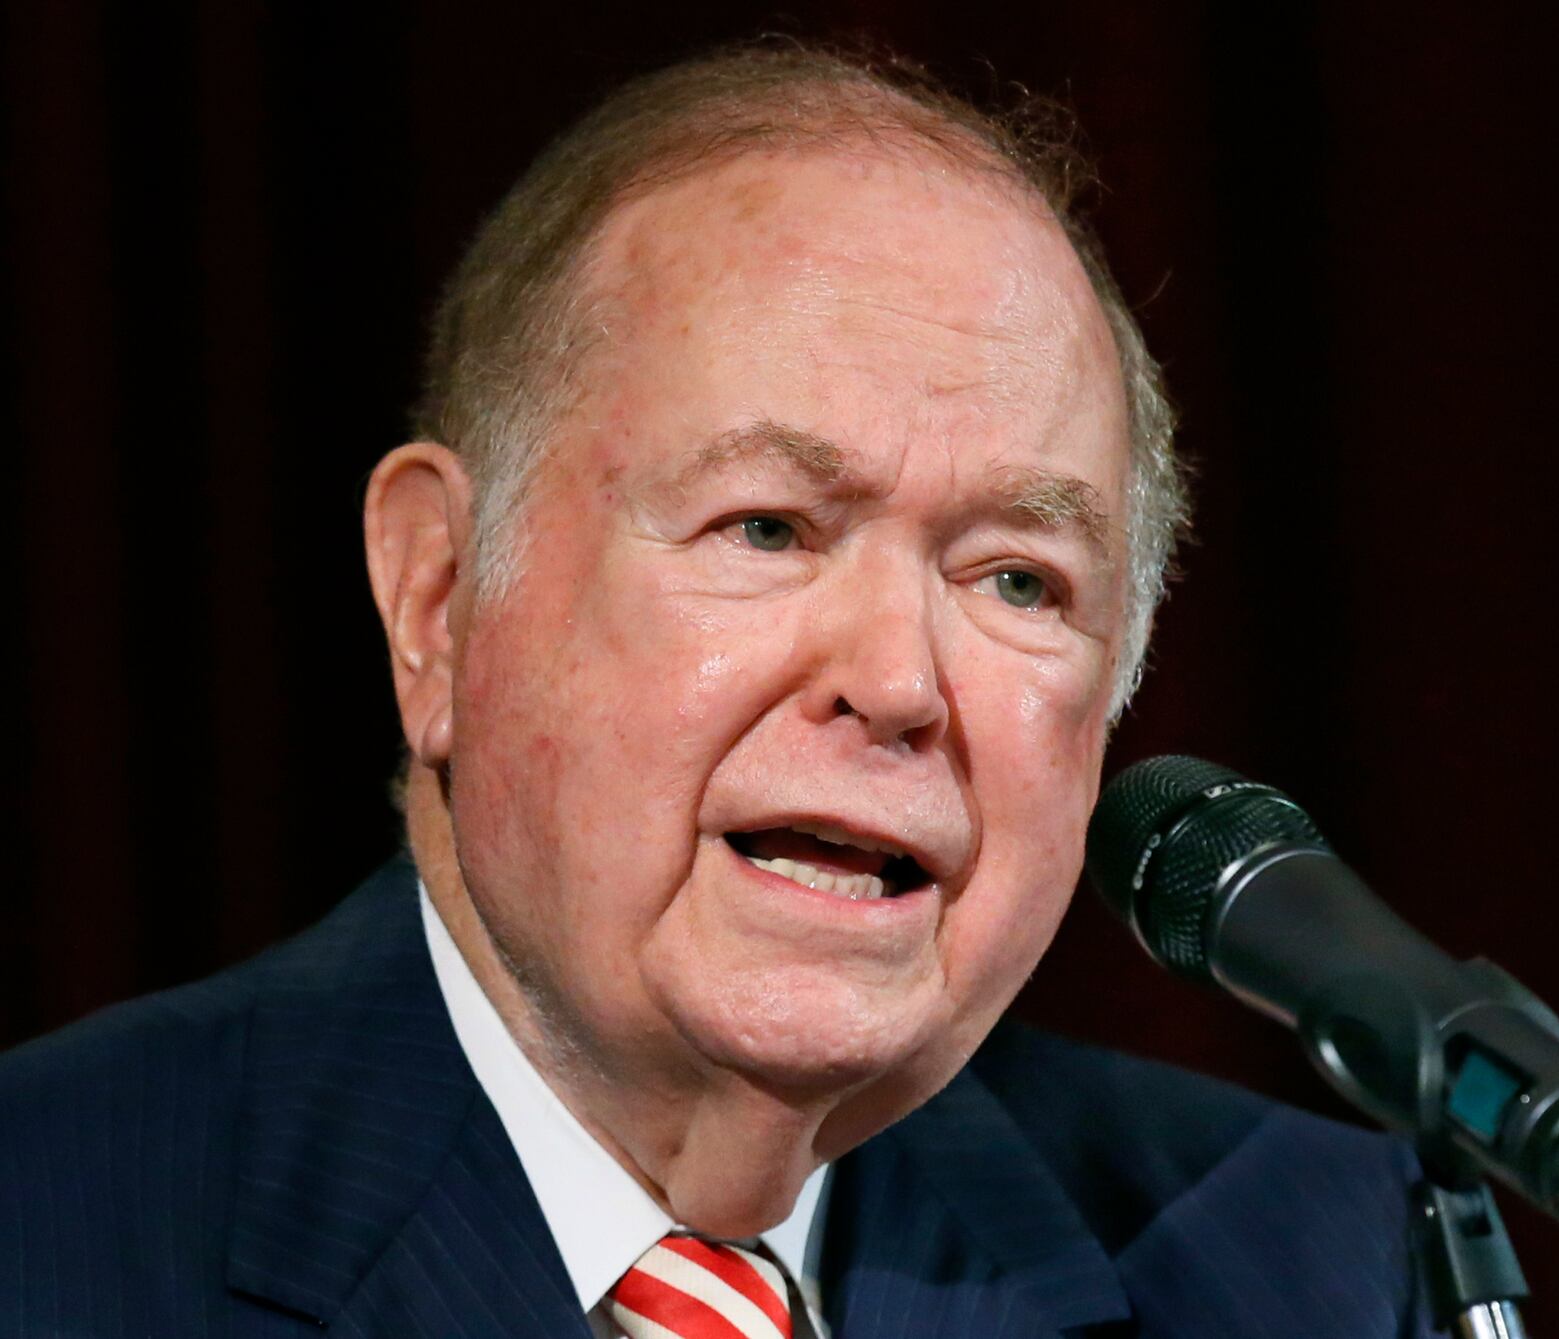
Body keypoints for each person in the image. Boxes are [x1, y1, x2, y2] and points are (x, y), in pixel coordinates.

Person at [1, 44, 1432, 1337]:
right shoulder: (51, 1233)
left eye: (1016, 581)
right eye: (767, 529)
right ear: (438, 597)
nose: (895, 683)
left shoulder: (1304, 1270)